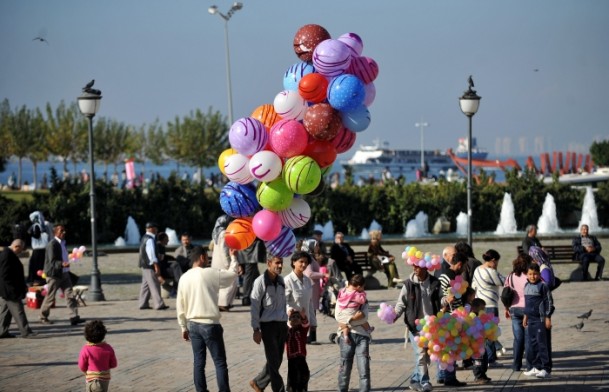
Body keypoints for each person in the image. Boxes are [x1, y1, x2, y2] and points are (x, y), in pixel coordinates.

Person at [177, 245, 238, 392]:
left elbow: (180, 305)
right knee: (220, 363)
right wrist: (234, 257)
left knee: (198, 363)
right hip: (210, 324)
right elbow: (231, 275)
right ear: (203, 257)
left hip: (192, 324)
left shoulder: (184, 277)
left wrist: (183, 327)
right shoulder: (210, 273)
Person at [394, 261, 442, 392]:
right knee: (420, 354)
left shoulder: (435, 283)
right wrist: (395, 315)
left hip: (431, 326)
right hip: (415, 326)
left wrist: (447, 300)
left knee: (426, 357)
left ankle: (414, 380)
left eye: (418, 267)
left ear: (426, 268)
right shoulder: (408, 284)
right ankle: (425, 382)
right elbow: (401, 303)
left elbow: (441, 299)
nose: (415, 269)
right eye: (413, 266)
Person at [249, 255, 288, 392]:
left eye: (281, 263)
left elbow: (284, 304)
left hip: (282, 325)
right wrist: (256, 329)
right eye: (277, 263)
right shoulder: (260, 282)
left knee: (277, 360)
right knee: (273, 360)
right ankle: (279, 389)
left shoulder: (282, 281)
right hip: (268, 327)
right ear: (268, 263)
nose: (280, 266)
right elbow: (254, 307)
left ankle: (258, 383)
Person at [40, 224, 85, 325]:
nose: (64, 232)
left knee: (70, 296)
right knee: (50, 297)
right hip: (54, 275)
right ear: (55, 232)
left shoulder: (63, 243)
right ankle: (43, 317)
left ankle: (74, 317)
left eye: (64, 230)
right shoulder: (52, 244)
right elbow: (52, 261)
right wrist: (62, 264)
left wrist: (66, 263)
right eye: (61, 231)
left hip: (64, 273)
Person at [335, 273, 371, 392]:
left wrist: (347, 323)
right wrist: (353, 319)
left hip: (362, 336)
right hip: (346, 336)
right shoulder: (341, 295)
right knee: (344, 367)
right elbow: (337, 316)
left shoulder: (363, 298)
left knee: (364, 368)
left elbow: (364, 318)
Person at [437, 251, 468, 387]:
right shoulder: (450, 278)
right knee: (451, 348)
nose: (464, 269)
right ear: (460, 264)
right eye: (464, 266)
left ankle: (441, 376)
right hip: (451, 316)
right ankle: (449, 378)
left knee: (444, 348)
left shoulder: (444, 275)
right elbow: (444, 298)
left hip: (447, 315)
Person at [471, 249, 505, 365]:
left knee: (483, 333)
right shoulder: (491, 272)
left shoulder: (477, 270)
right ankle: (491, 359)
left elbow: (473, 285)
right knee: (491, 333)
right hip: (490, 305)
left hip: (479, 305)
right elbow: (504, 282)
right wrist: (495, 269)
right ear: (493, 260)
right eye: (497, 262)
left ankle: (486, 357)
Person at [522, 263, 553, 379]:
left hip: (541, 320)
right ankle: (536, 367)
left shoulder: (543, 286)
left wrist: (547, 317)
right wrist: (526, 316)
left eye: (535, 274)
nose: (532, 276)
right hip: (531, 321)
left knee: (542, 345)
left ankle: (546, 368)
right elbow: (527, 303)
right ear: (527, 274)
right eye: (530, 274)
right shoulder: (526, 285)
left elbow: (549, 302)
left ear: (539, 275)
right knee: (532, 345)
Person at [0, 239, 36, 338]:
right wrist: (12, 289)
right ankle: (26, 331)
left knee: (5, 311)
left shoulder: (8, 254)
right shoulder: (7, 255)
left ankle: (2, 331)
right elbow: (4, 274)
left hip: (6, 289)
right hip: (9, 290)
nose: (21, 252)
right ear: (16, 246)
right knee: (18, 310)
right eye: (21, 249)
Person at [503, 253, 531, 372]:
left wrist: (506, 308)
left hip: (513, 309)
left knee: (518, 339)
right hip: (527, 309)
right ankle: (530, 365)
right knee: (528, 339)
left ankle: (516, 365)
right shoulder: (530, 276)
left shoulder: (510, 276)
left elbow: (505, 293)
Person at [78, 320, 118, 392]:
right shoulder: (108, 348)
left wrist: (86, 371)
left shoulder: (85, 349)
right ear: (103, 335)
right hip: (103, 381)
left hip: (89, 380)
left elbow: (81, 365)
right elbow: (114, 364)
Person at [335, 274, 374, 344]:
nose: (363, 289)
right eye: (363, 287)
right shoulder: (356, 294)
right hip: (351, 312)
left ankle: (345, 336)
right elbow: (362, 301)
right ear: (358, 287)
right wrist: (363, 294)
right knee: (363, 321)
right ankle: (368, 330)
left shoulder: (343, 290)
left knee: (344, 326)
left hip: (342, 311)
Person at [138, 222, 168, 311]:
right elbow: (151, 254)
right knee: (154, 284)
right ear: (151, 228)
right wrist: (156, 265)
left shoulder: (144, 237)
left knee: (146, 285)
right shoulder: (150, 239)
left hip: (144, 265)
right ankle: (159, 304)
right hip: (149, 265)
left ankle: (143, 303)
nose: (157, 230)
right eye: (155, 228)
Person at [211, 215, 239, 311]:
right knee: (231, 281)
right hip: (223, 262)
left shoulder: (216, 233)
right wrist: (228, 263)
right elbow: (224, 250)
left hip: (217, 262)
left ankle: (223, 303)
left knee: (223, 284)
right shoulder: (223, 234)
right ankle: (224, 303)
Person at [301, 240, 326, 344]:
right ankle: (310, 336)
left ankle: (312, 337)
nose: (318, 247)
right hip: (310, 288)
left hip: (313, 288)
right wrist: (323, 275)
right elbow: (309, 274)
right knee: (310, 313)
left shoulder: (310, 257)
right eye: (316, 246)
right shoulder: (308, 258)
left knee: (312, 313)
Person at [286, 309, 310, 392]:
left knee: (304, 374)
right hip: (291, 359)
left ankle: (302, 388)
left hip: (300, 358)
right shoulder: (287, 331)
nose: (295, 318)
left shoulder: (302, 330)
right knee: (292, 376)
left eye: (298, 317)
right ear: (289, 320)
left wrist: (303, 317)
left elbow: (306, 324)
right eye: (293, 317)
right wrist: (287, 315)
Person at [470, 298, 492, 384]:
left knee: (484, 360)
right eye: (482, 308)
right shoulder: (472, 316)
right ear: (475, 307)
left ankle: (483, 374)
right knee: (478, 361)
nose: (484, 310)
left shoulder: (480, 315)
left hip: (482, 343)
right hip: (475, 344)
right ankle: (478, 376)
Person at [238, 238, 266, 307]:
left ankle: (261, 294)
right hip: (250, 250)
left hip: (246, 248)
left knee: (254, 274)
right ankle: (246, 298)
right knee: (249, 274)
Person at [26, 211, 50, 285]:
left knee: (35, 265)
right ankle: (40, 279)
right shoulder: (44, 225)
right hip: (43, 248)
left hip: (37, 249)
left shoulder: (36, 225)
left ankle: (36, 279)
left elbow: (35, 235)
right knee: (41, 264)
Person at [156, 232, 181, 296]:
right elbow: (160, 259)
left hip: (162, 267)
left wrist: (172, 258)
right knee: (176, 268)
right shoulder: (159, 247)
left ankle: (175, 289)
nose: (168, 240)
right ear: (162, 240)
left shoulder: (160, 246)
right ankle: (178, 288)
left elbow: (163, 257)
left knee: (176, 267)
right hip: (160, 270)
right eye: (167, 239)